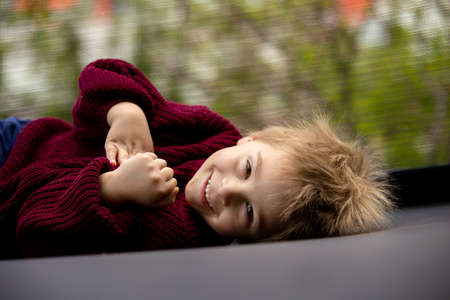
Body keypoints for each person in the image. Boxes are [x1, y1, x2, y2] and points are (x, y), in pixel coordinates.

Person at [0, 59, 393, 259]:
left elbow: (34, 223)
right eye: (247, 168)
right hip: (20, 141)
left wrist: (111, 189)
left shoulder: (179, 236)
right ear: (249, 139)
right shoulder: (212, 132)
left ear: (255, 242)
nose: (225, 190)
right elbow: (101, 74)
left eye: (249, 212)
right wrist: (127, 112)